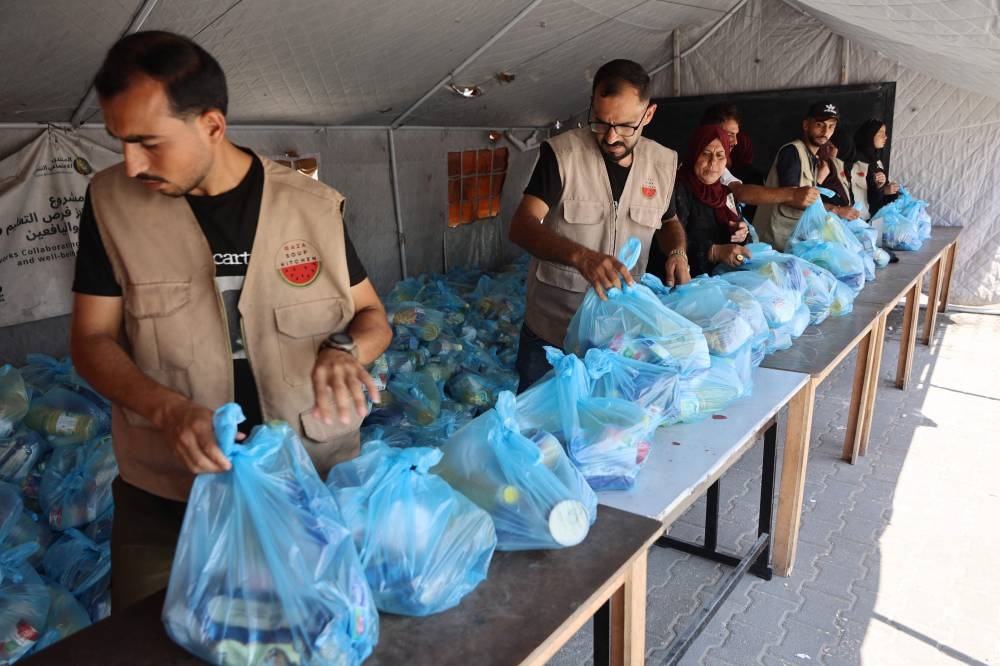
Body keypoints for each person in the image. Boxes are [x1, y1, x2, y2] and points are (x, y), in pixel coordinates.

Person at [69, 31, 392, 610]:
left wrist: (345, 351)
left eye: (148, 143)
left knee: (311, 625)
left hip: (308, 480)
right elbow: (91, 339)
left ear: (212, 126)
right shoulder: (109, 203)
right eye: (119, 142)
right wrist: (168, 411)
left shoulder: (312, 207)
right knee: (148, 636)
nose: (132, 164)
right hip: (166, 493)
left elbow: (372, 317)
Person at [508, 59, 690, 393]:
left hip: (619, 334)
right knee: (536, 427)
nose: (609, 136)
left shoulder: (663, 163)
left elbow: (669, 221)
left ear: (648, 114)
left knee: (602, 433)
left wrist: (677, 251)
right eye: (600, 122)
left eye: (624, 126)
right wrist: (582, 257)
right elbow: (522, 225)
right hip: (553, 330)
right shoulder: (562, 154)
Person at [648, 125, 751, 279]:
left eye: (720, 155)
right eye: (706, 153)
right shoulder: (675, 188)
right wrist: (714, 252)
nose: (713, 162)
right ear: (694, 154)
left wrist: (740, 233)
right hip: (681, 282)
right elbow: (665, 242)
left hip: (717, 281)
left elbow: (736, 238)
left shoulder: (725, 192)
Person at [754, 101, 860, 250]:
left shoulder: (812, 157)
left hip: (792, 236)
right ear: (806, 125)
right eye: (819, 125)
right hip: (774, 239)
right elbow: (792, 196)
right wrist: (836, 210)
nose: (825, 132)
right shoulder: (792, 152)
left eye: (831, 126)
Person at [699, 102, 820, 226]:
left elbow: (737, 189)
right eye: (730, 135)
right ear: (710, 132)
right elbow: (740, 192)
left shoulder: (722, 168)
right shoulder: (696, 166)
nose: (735, 142)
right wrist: (793, 194)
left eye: (736, 135)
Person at [851, 118, 899, 218]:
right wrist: (883, 191)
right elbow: (859, 195)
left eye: (885, 133)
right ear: (869, 134)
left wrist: (893, 191)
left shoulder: (876, 160)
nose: (885, 137)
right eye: (881, 133)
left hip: (877, 214)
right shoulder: (856, 161)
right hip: (861, 218)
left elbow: (882, 187)